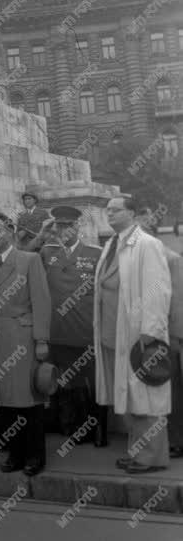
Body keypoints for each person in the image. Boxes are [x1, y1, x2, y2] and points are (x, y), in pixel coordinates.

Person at [94, 197, 172, 472]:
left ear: (131, 213)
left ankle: (152, 458)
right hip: (112, 334)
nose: (110, 213)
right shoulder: (112, 244)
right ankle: (138, 452)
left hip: (138, 335)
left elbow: (158, 289)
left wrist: (150, 330)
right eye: (108, 210)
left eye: (116, 210)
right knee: (127, 395)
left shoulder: (147, 244)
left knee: (145, 395)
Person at [0, 213, 51, 476]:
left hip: (23, 336)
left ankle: (35, 455)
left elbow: (41, 301)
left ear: (10, 231)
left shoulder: (29, 260)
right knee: (4, 400)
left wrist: (41, 339)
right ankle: (14, 453)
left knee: (28, 398)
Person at [40, 206, 103, 443]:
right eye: (60, 225)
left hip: (84, 329)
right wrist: (41, 234)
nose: (64, 230)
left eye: (69, 225)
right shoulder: (47, 251)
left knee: (86, 383)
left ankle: (89, 429)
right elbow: (21, 259)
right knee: (60, 381)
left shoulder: (95, 253)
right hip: (56, 329)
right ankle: (66, 426)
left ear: (78, 227)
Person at [136, 207, 183, 460]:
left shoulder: (170, 258)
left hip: (166, 337)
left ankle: (176, 441)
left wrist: (173, 337)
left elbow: (175, 301)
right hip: (147, 333)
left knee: (172, 391)